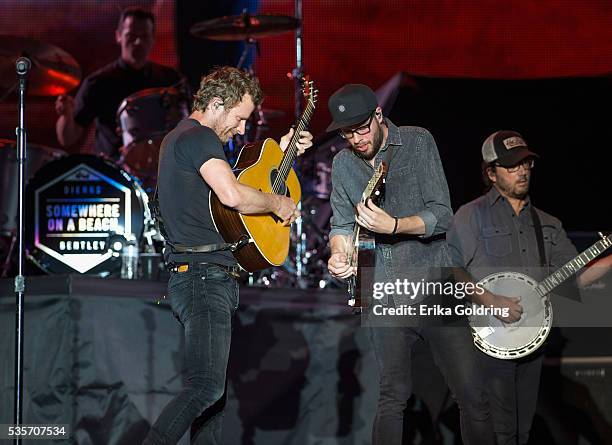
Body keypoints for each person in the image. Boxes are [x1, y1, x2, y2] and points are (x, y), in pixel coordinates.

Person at [143, 66, 312, 444]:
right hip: (203, 278)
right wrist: (278, 203)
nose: (240, 129)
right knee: (205, 389)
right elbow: (233, 196)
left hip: (198, 277)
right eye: (239, 119)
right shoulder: (199, 136)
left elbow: (231, 189)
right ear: (217, 104)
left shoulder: (180, 139)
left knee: (213, 402)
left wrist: (280, 153)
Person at [326, 84, 494, 445]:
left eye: (360, 128)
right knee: (392, 398)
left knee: (472, 395)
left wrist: (395, 226)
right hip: (385, 290)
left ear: (378, 116)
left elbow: (442, 215)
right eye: (346, 132)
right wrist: (338, 254)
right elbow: (340, 225)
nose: (355, 139)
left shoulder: (417, 142)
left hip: (434, 284)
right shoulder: (342, 164)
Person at [447, 130, 612, 444]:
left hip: (531, 340)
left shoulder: (548, 223)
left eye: (526, 163)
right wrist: (491, 300)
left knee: (520, 432)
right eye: (512, 165)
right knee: (496, 430)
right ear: (491, 173)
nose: (522, 170)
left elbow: (572, 279)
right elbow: (451, 269)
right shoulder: (471, 216)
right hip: (484, 341)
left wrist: (609, 262)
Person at [54, 7, 183, 159]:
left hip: (161, 168)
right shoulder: (98, 82)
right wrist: (66, 115)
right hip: (112, 172)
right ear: (118, 36)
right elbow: (67, 138)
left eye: (144, 36)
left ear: (152, 39)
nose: (138, 42)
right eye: (131, 36)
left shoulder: (170, 79)